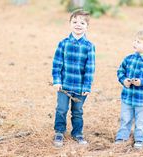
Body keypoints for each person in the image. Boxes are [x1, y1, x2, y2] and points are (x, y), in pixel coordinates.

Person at [51, 9, 95, 147]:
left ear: (87, 26)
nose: (78, 25)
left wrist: (87, 86)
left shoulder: (89, 46)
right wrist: (57, 81)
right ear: (70, 23)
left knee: (77, 111)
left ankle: (77, 133)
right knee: (61, 109)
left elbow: (90, 69)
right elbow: (57, 64)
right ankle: (59, 131)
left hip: (80, 86)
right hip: (64, 85)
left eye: (82, 22)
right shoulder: (63, 44)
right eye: (75, 21)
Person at [115, 28, 143, 149]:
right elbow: (120, 71)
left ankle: (140, 139)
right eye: (134, 40)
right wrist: (124, 80)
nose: (134, 43)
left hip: (142, 99)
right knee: (125, 118)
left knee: (141, 120)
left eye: (138, 42)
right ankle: (122, 137)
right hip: (127, 96)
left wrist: (142, 82)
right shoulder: (128, 59)